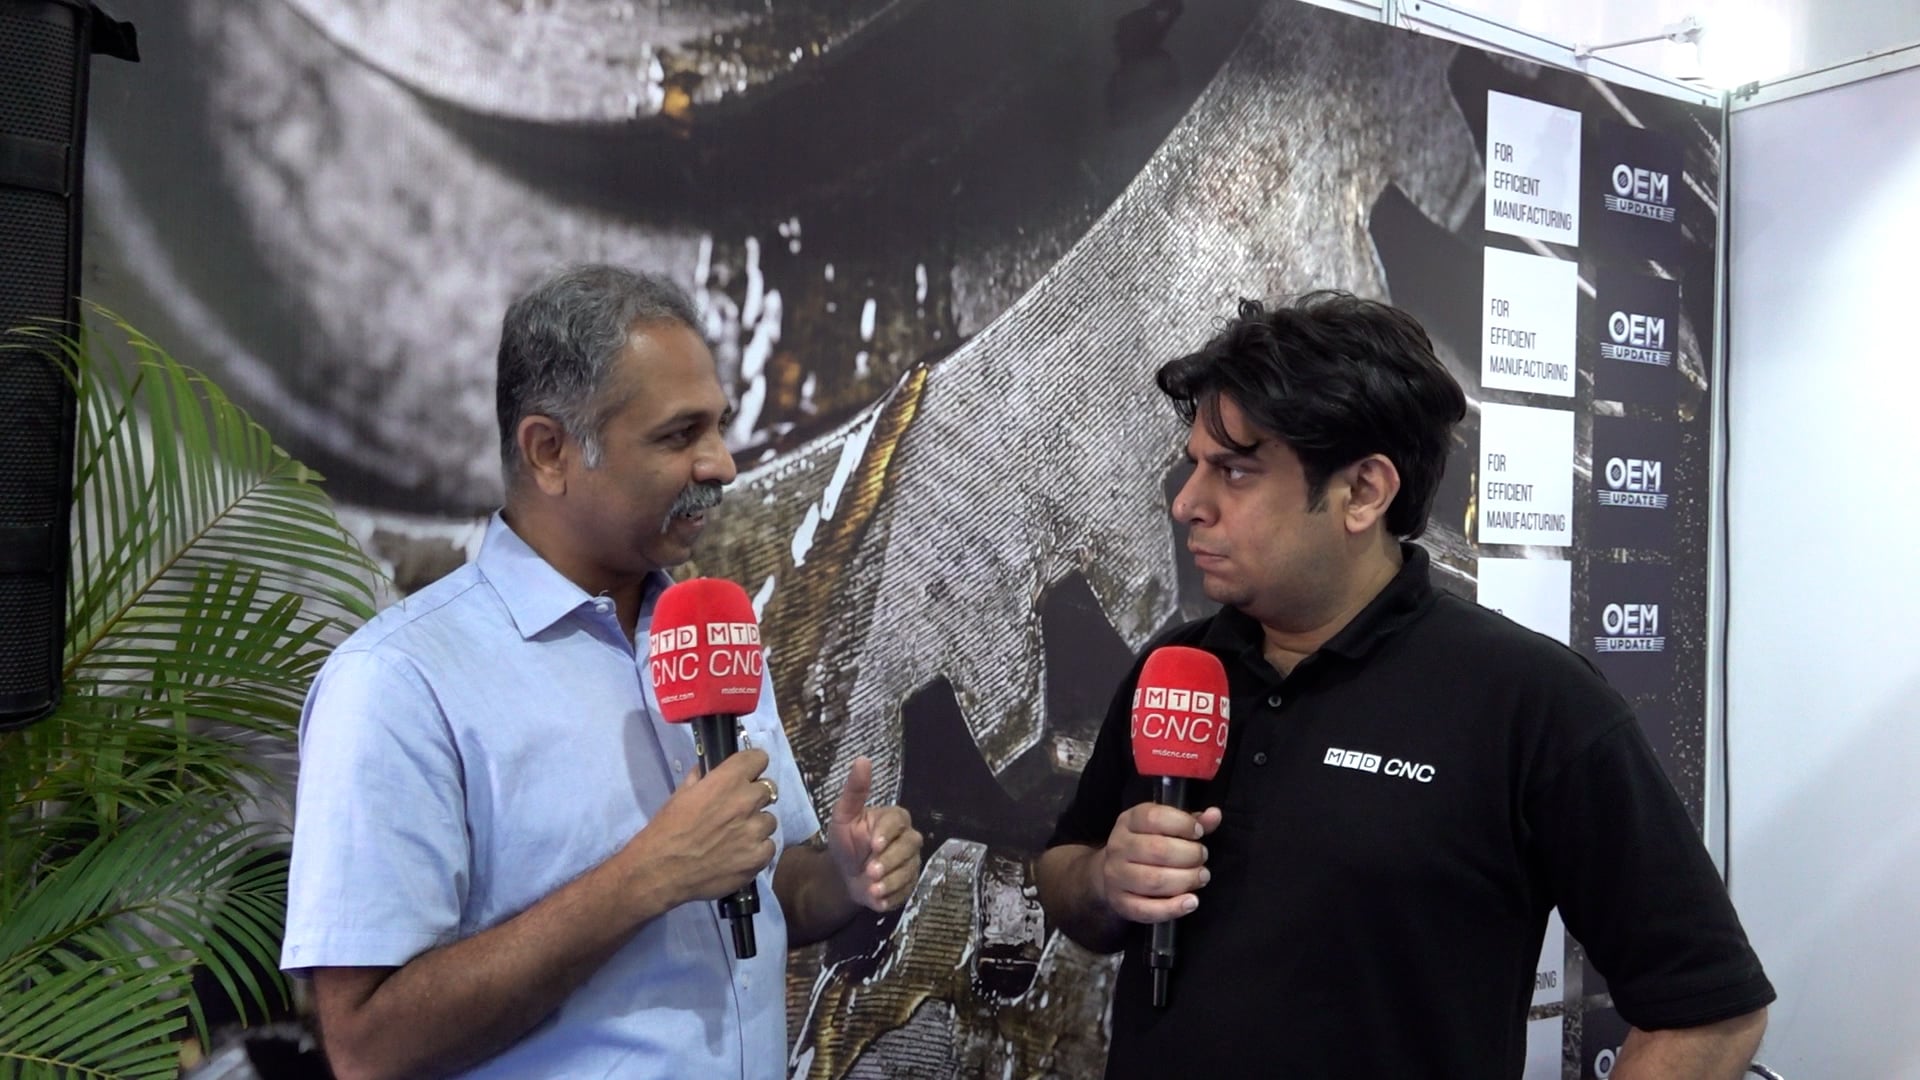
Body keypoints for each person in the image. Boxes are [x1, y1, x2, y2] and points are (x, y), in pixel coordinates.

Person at [1035, 293, 1773, 1078]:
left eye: (1235, 472)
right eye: (1194, 465)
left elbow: (1712, 1013)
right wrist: (1105, 881)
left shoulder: (1531, 701)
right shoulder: (1178, 667)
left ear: (1363, 492)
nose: (1187, 502)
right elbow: (1064, 870)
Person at [280, 265, 923, 1080]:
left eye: (718, 427)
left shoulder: (708, 630)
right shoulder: (397, 684)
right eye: (679, 435)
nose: (722, 465)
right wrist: (644, 878)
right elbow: (366, 1044)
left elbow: (765, 891)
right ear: (549, 452)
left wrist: (840, 879)